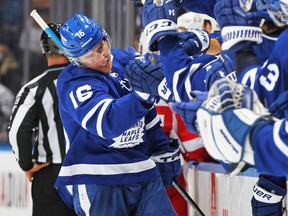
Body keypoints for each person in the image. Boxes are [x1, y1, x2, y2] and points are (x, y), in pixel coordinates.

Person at [53, 14, 180, 216]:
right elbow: (107, 122)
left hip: (141, 170)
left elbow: (146, 113)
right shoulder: (74, 82)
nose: (101, 57)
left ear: (106, 38)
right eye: (89, 56)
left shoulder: (124, 60)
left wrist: (161, 148)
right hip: (97, 177)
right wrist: (143, 95)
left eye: (100, 47)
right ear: (76, 61)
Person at [7, 23, 76, 216]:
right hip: (88, 172)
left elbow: (17, 130)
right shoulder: (91, 82)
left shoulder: (33, 88)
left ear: (44, 52)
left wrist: (26, 164)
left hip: (49, 173)